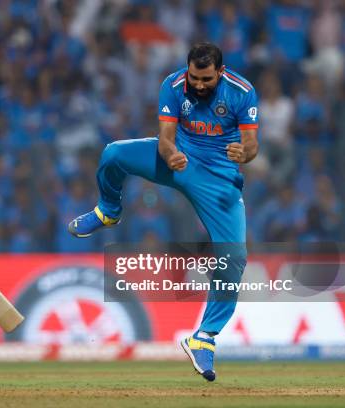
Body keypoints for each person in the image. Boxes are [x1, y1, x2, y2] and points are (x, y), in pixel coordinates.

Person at [68, 42, 259, 382]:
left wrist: (243, 153)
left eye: (207, 79)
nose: (199, 85)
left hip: (217, 176)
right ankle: (109, 210)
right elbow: (165, 137)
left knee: (234, 259)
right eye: (194, 77)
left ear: (221, 73)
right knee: (113, 154)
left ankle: (204, 338)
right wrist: (170, 155)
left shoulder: (242, 92)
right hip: (177, 159)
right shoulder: (172, 86)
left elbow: (252, 145)